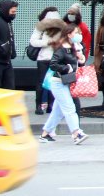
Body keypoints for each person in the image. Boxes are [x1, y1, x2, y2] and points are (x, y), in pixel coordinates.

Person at [37, 17, 89, 145]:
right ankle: (76, 133)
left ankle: (45, 134)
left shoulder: (73, 47)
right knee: (69, 107)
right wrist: (68, 67)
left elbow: (78, 63)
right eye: (76, 32)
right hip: (58, 82)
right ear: (69, 33)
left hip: (66, 81)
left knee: (58, 111)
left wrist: (80, 58)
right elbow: (53, 64)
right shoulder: (62, 48)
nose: (79, 35)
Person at [30, 7, 61, 115]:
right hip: (43, 58)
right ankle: (38, 106)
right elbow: (33, 42)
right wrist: (48, 42)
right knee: (41, 82)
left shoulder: (61, 28)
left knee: (53, 82)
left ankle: (50, 105)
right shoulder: (40, 27)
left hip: (55, 58)